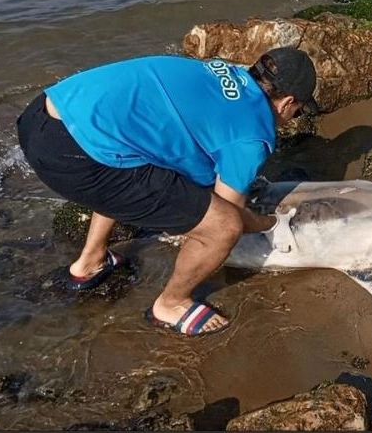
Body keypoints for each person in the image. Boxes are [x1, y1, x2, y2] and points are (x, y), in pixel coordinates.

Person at [17, 47, 320, 335]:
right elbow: (231, 215)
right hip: (73, 158)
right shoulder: (252, 134)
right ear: (286, 102)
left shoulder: (221, 71)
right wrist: (271, 222)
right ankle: (171, 304)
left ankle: (90, 261)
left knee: (132, 149)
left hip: (43, 115)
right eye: (297, 112)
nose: (291, 119)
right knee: (222, 227)